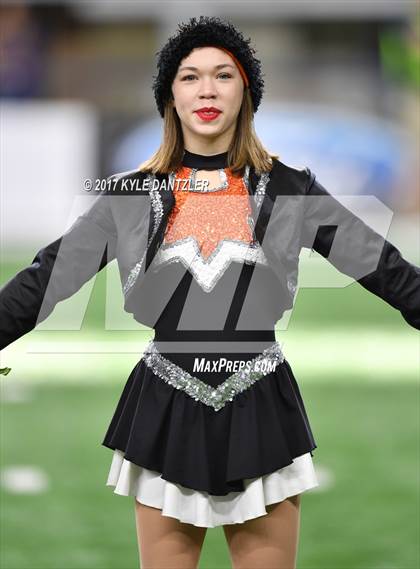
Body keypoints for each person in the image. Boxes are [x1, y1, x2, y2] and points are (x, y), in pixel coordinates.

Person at [1, 15, 419, 569]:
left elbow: (385, 269)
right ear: (169, 95)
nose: (206, 90)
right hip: (163, 409)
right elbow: (46, 278)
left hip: (262, 406)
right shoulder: (131, 196)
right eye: (189, 76)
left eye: (222, 75)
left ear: (245, 92)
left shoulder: (290, 189)